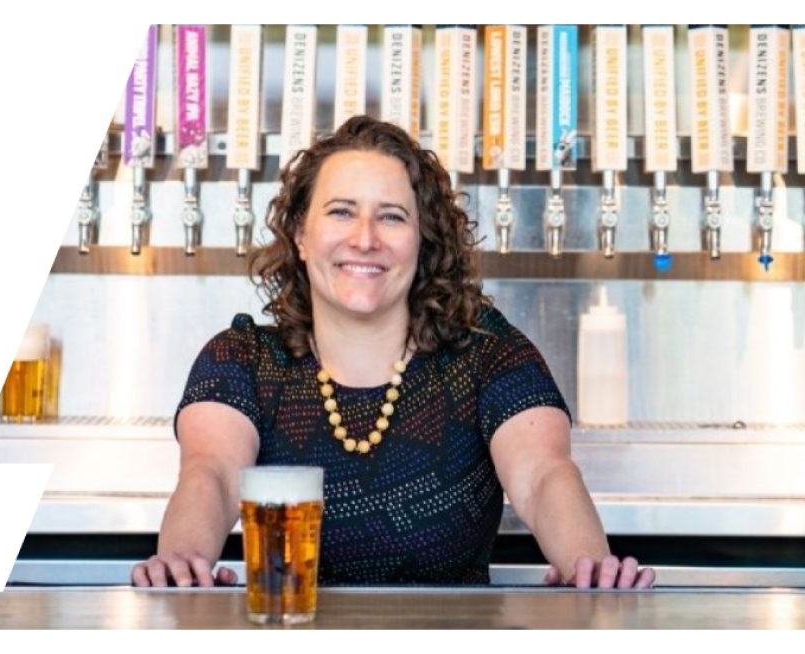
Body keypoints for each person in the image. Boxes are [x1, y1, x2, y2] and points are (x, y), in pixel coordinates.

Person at [132, 115, 655, 590]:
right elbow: (212, 474)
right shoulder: (243, 360)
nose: (364, 239)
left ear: (422, 240)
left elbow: (544, 475)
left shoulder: (485, 354)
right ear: (300, 235)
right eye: (341, 212)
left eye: (392, 217)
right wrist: (181, 562)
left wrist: (590, 568)